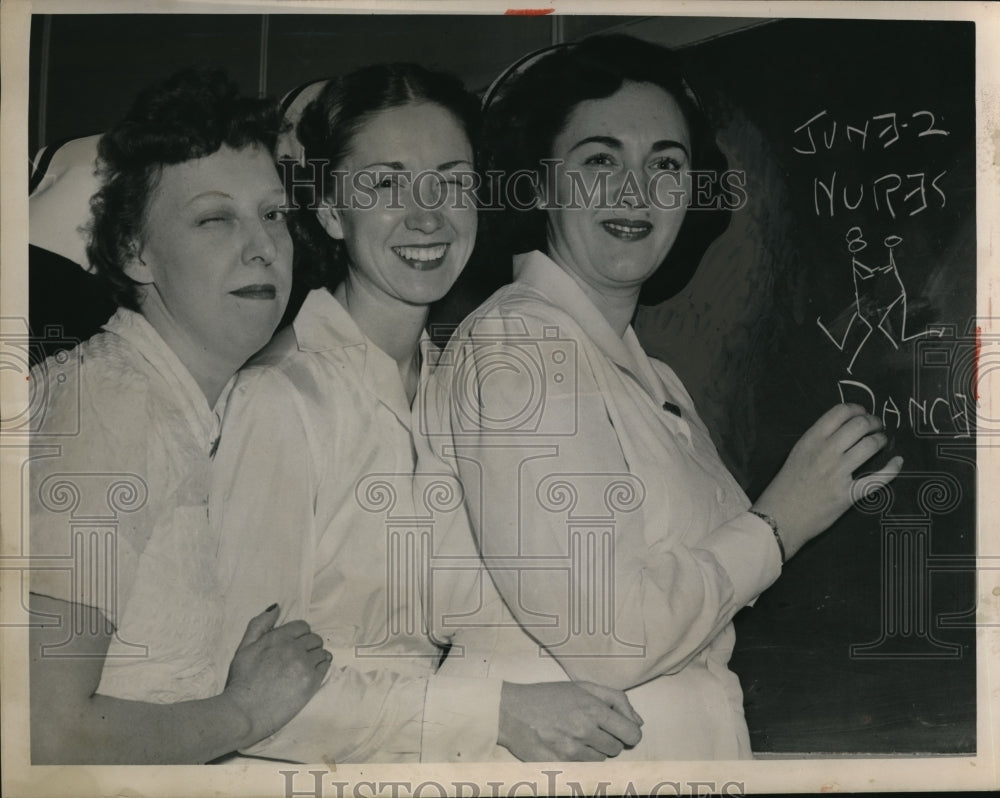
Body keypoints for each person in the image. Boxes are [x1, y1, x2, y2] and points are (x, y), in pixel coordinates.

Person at [421, 35, 904, 760]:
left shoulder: (654, 378)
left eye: (666, 166)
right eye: (600, 160)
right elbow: (608, 638)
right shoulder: (518, 343)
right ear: (541, 182)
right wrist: (779, 523)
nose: (636, 191)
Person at [211, 62, 644, 764]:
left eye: (451, 180)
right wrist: (494, 713)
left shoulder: (459, 384)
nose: (427, 214)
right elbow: (240, 700)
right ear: (327, 210)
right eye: (384, 183)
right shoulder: (282, 400)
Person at [28, 68, 331, 764]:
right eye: (214, 218)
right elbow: (43, 733)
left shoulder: (180, 407)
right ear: (136, 252)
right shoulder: (111, 406)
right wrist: (242, 713)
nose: (262, 246)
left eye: (273, 214)